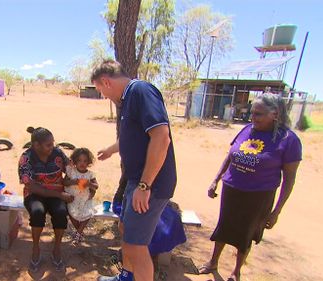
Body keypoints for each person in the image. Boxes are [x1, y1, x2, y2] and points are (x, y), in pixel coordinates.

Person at [198, 93, 302, 281]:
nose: (252, 118)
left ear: (275, 114)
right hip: (232, 190)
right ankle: (213, 262)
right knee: (224, 227)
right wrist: (216, 180)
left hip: (258, 196)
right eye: (252, 113)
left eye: (259, 114)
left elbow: (289, 180)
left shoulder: (288, 140)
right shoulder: (247, 129)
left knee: (245, 234)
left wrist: (277, 211)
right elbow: (230, 155)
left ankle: (236, 271)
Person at [93, 60, 177, 281]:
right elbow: (132, 137)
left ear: (105, 81)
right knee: (125, 230)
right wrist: (111, 150)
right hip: (136, 180)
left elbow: (161, 137)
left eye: (100, 90)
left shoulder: (141, 91)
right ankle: (127, 277)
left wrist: (145, 185)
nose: (103, 96)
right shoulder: (128, 99)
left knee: (136, 246)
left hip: (151, 185)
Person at [18, 127, 74, 272]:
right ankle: (35, 248)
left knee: (61, 212)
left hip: (56, 191)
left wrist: (74, 178)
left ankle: (57, 249)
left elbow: (70, 170)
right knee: (37, 211)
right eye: (48, 144)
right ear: (36, 145)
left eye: (52, 143)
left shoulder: (58, 153)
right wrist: (59, 195)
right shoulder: (26, 158)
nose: (52, 147)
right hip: (35, 194)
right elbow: (31, 186)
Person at [63, 147, 99, 245]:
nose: (82, 163)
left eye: (85, 161)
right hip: (73, 198)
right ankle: (79, 231)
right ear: (74, 161)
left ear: (89, 162)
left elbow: (96, 186)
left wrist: (89, 184)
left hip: (85, 199)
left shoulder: (90, 174)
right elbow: (64, 182)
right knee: (71, 214)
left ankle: (78, 233)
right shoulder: (71, 171)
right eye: (79, 160)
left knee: (88, 214)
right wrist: (73, 181)